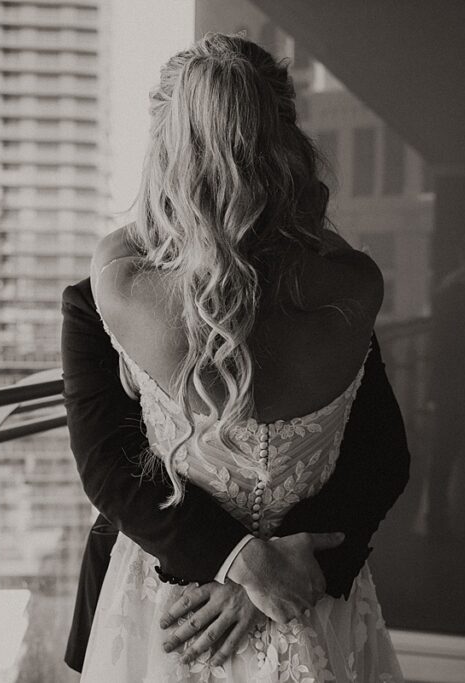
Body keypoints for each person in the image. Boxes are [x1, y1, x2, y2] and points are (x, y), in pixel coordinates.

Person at [63, 33, 409, 681]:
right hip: (310, 608)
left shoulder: (118, 283)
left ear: (164, 150)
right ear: (290, 147)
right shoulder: (351, 286)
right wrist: (267, 565)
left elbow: (108, 466)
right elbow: (382, 454)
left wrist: (247, 570)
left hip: (171, 611)